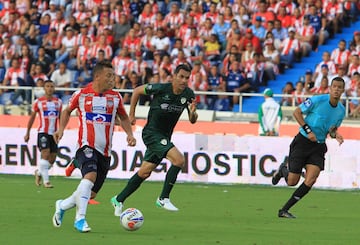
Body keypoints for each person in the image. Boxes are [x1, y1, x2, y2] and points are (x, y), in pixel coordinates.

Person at [52, 61, 136, 232]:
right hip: (86, 146)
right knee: (89, 176)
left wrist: (130, 134)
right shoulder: (81, 95)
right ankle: (80, 220)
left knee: (90, 193)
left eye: (114, 76)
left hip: (105, 152)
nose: (113, 79)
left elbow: (124, 117)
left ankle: (62, 205)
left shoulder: (115, 97)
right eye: (109, 76)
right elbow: (67, 111)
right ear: (98, 76)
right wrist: (60, 129)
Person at [111, 64, 198, 214]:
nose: (184, 80)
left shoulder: (188, 94)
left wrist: (192, 113)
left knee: (145, 172)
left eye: (187, 78)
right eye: (181, 76)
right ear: (174, 76)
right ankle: (163, 198)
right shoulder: (161, 88)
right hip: (151, 133)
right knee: (179, 160)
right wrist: (131, 114)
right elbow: (137, 91)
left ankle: (118, 199)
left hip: (164, 136)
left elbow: (192, 120)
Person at [272, 76, 346, 218]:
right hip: (303, 142)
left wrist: (335, 134)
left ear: (343, 91)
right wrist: (308, 130)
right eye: (334, 87)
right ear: (330, 89)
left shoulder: (341, 111)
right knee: (292, 182)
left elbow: (331, 129)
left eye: (339, 87)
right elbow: (297, 112)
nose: (336, 90)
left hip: (318, 146)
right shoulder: (318, 100)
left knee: (311, 179)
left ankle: (284, 210)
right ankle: (283, 170)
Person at [24, 80, 62, 188]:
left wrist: (60, 130)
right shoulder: (38, 102)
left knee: (52, 159)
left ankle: (39, 172)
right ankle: (46, 182)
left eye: (51, 86)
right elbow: (32, 118)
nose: (49, 88)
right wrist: (27, 132)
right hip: (43, 132)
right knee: (45, 153)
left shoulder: (58, 102)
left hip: (54, 133)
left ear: (54, 88)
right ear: (44, 88)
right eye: (47, 86)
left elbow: (60, 118)